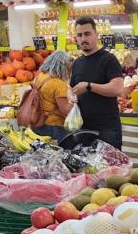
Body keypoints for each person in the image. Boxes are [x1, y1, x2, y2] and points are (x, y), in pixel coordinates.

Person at [69, 16, 124, 148]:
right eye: (80, 35)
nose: (83, 39)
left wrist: (89, 86)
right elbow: (71, 87)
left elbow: (117, 89)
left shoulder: (109, 60)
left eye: (87, 34)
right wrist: (70, 96)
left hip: (107, 129)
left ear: (96, 35)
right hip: (84, 129)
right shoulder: (77, 63)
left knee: (112, 167)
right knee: (88, 167)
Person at [33, 51, 74, 142]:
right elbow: (66, 110)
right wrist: (74, 100)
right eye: (69, 69)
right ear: (63, 67)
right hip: (54, 126)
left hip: (37, 121)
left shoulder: (40, 76)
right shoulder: (58, 84)